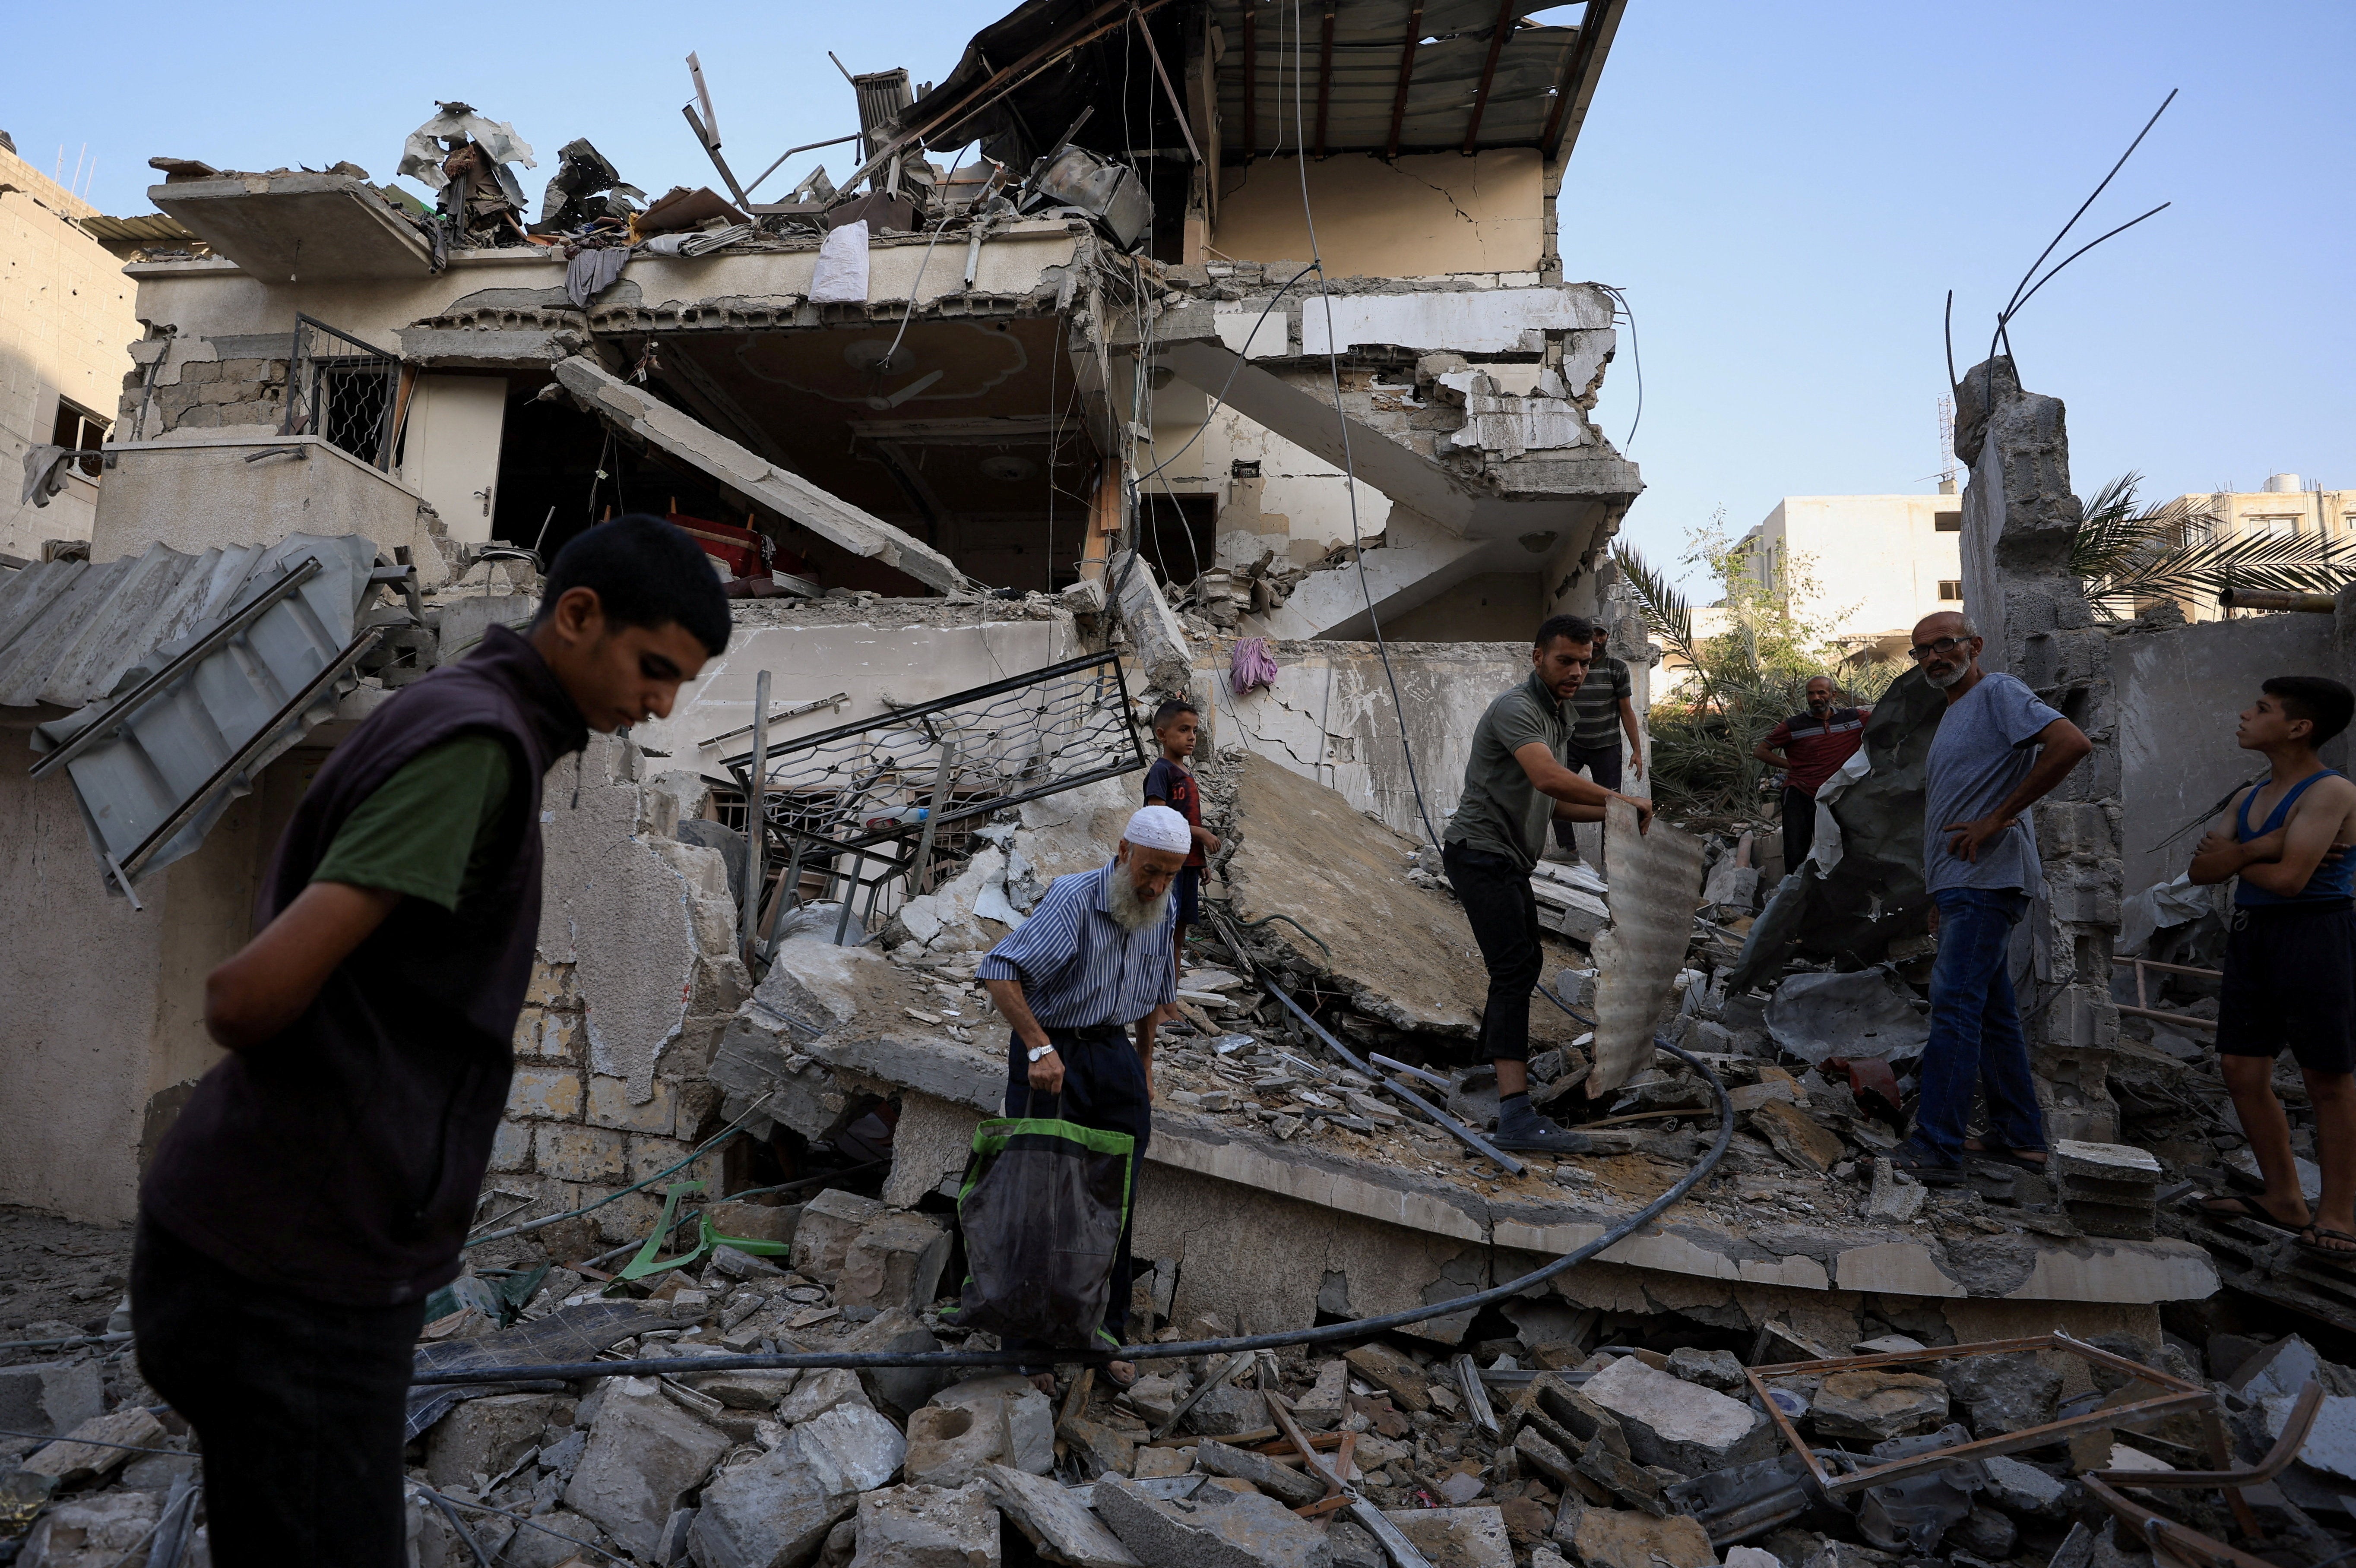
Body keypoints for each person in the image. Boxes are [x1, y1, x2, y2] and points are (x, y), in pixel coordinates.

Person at [131, 515, 731, 1564]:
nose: (662, 704)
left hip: (282, 1249)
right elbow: (245, 994)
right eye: (653, 667)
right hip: (291, 1271)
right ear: (578, 615)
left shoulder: (464, 714)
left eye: (681, 681)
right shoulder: (478, 749)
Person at [978, 806, 1190, 1385]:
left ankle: (1103, 1334)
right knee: (1041, 1202)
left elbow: (1154, 993)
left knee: (1112, 1200)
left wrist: (1144, 1065)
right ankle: (1027, 1344)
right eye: (1149, 871)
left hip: (1114, 1057)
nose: (1154, 886)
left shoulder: (1162, 905)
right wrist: (1037, 1048)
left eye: (1168, 875)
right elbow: (999, 969)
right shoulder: (1073, 898)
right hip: (1055, 1054)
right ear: (1124, 852)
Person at [1888, 611, 2092, 1184]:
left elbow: (2070, 743)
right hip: (1963, 888)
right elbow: (1956, 808)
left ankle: (1936, 1148)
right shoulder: (1955, 713)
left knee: (1953, 1010)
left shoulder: (1999, 691)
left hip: (1986, 885)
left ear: (1974, 645)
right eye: (1921, 651)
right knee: (1995, 1016)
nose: (1933, 658)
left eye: (1944, 645)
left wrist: (1999, 818)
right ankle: (2021, 1138)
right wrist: (1940, 889)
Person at [1444, 615, 1655, 1150]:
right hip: (1479, 852)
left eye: (1584, 662)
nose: (1577, 671)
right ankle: (1515, 1114)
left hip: (1508, 858)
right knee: (1514, 965)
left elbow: (1552, 801)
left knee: (1524, 961)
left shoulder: (1556, 716)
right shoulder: (1519, 708)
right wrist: (1621, 799)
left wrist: (1614, 818)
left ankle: (1486, 1075)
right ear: (1536, 656)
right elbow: (1545, 776)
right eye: (1566, 660)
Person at [2187, 677, 2356, 1258]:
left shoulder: (2331, 792)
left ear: (2298, 727)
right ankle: (2284, 1196)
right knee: (2240, 1068)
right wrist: (2265, 847)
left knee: (2327, 1079)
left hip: (2315, 935)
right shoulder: (2249, 797)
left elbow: (2291, 881)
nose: (2244, 715)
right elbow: (2198, 872)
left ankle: (2338, 1213)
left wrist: (2239, 856)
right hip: (2254, 936)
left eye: (2260, 709)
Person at [1754, 676, 1872, 873]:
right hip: (1801, 794)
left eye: (1821, 693)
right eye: (1811, 693)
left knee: (1843, 847)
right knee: (1796, 850)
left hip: (1837, 795)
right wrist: (1792, 766)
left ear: (1832, 695)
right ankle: (1794, 895)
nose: (1816, 698)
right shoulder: (1793, 725)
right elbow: (1761, 751)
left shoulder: (1853, 718)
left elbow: (1887, 720)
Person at [1543, 637, 1643, 869]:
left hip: (1607, 747)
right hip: (1571, 745)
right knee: (1554, 793)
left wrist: (1637, 751)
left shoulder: (1617, 669)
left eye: (1601, 634)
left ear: (1606, 637)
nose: (1597, 639)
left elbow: (1626, 711)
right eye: (1591, 634)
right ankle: (1568, 849)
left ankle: (1610, 867)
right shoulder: (1572, 670)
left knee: (1612, 805)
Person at [1143, 698, 1221, 981]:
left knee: (1179, 933)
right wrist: (1199, 833)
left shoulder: (1187, 773)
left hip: (1187, 865)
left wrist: (1199, 861)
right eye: (1184, 730)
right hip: (1166, 867)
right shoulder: (1161, 771)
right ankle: (1154, 996)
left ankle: (1170, 997)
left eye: (1195, 731)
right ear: (1162, 735)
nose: (1192, 737)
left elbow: (1188, 818)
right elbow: (1156, 815)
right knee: (1161, 932)